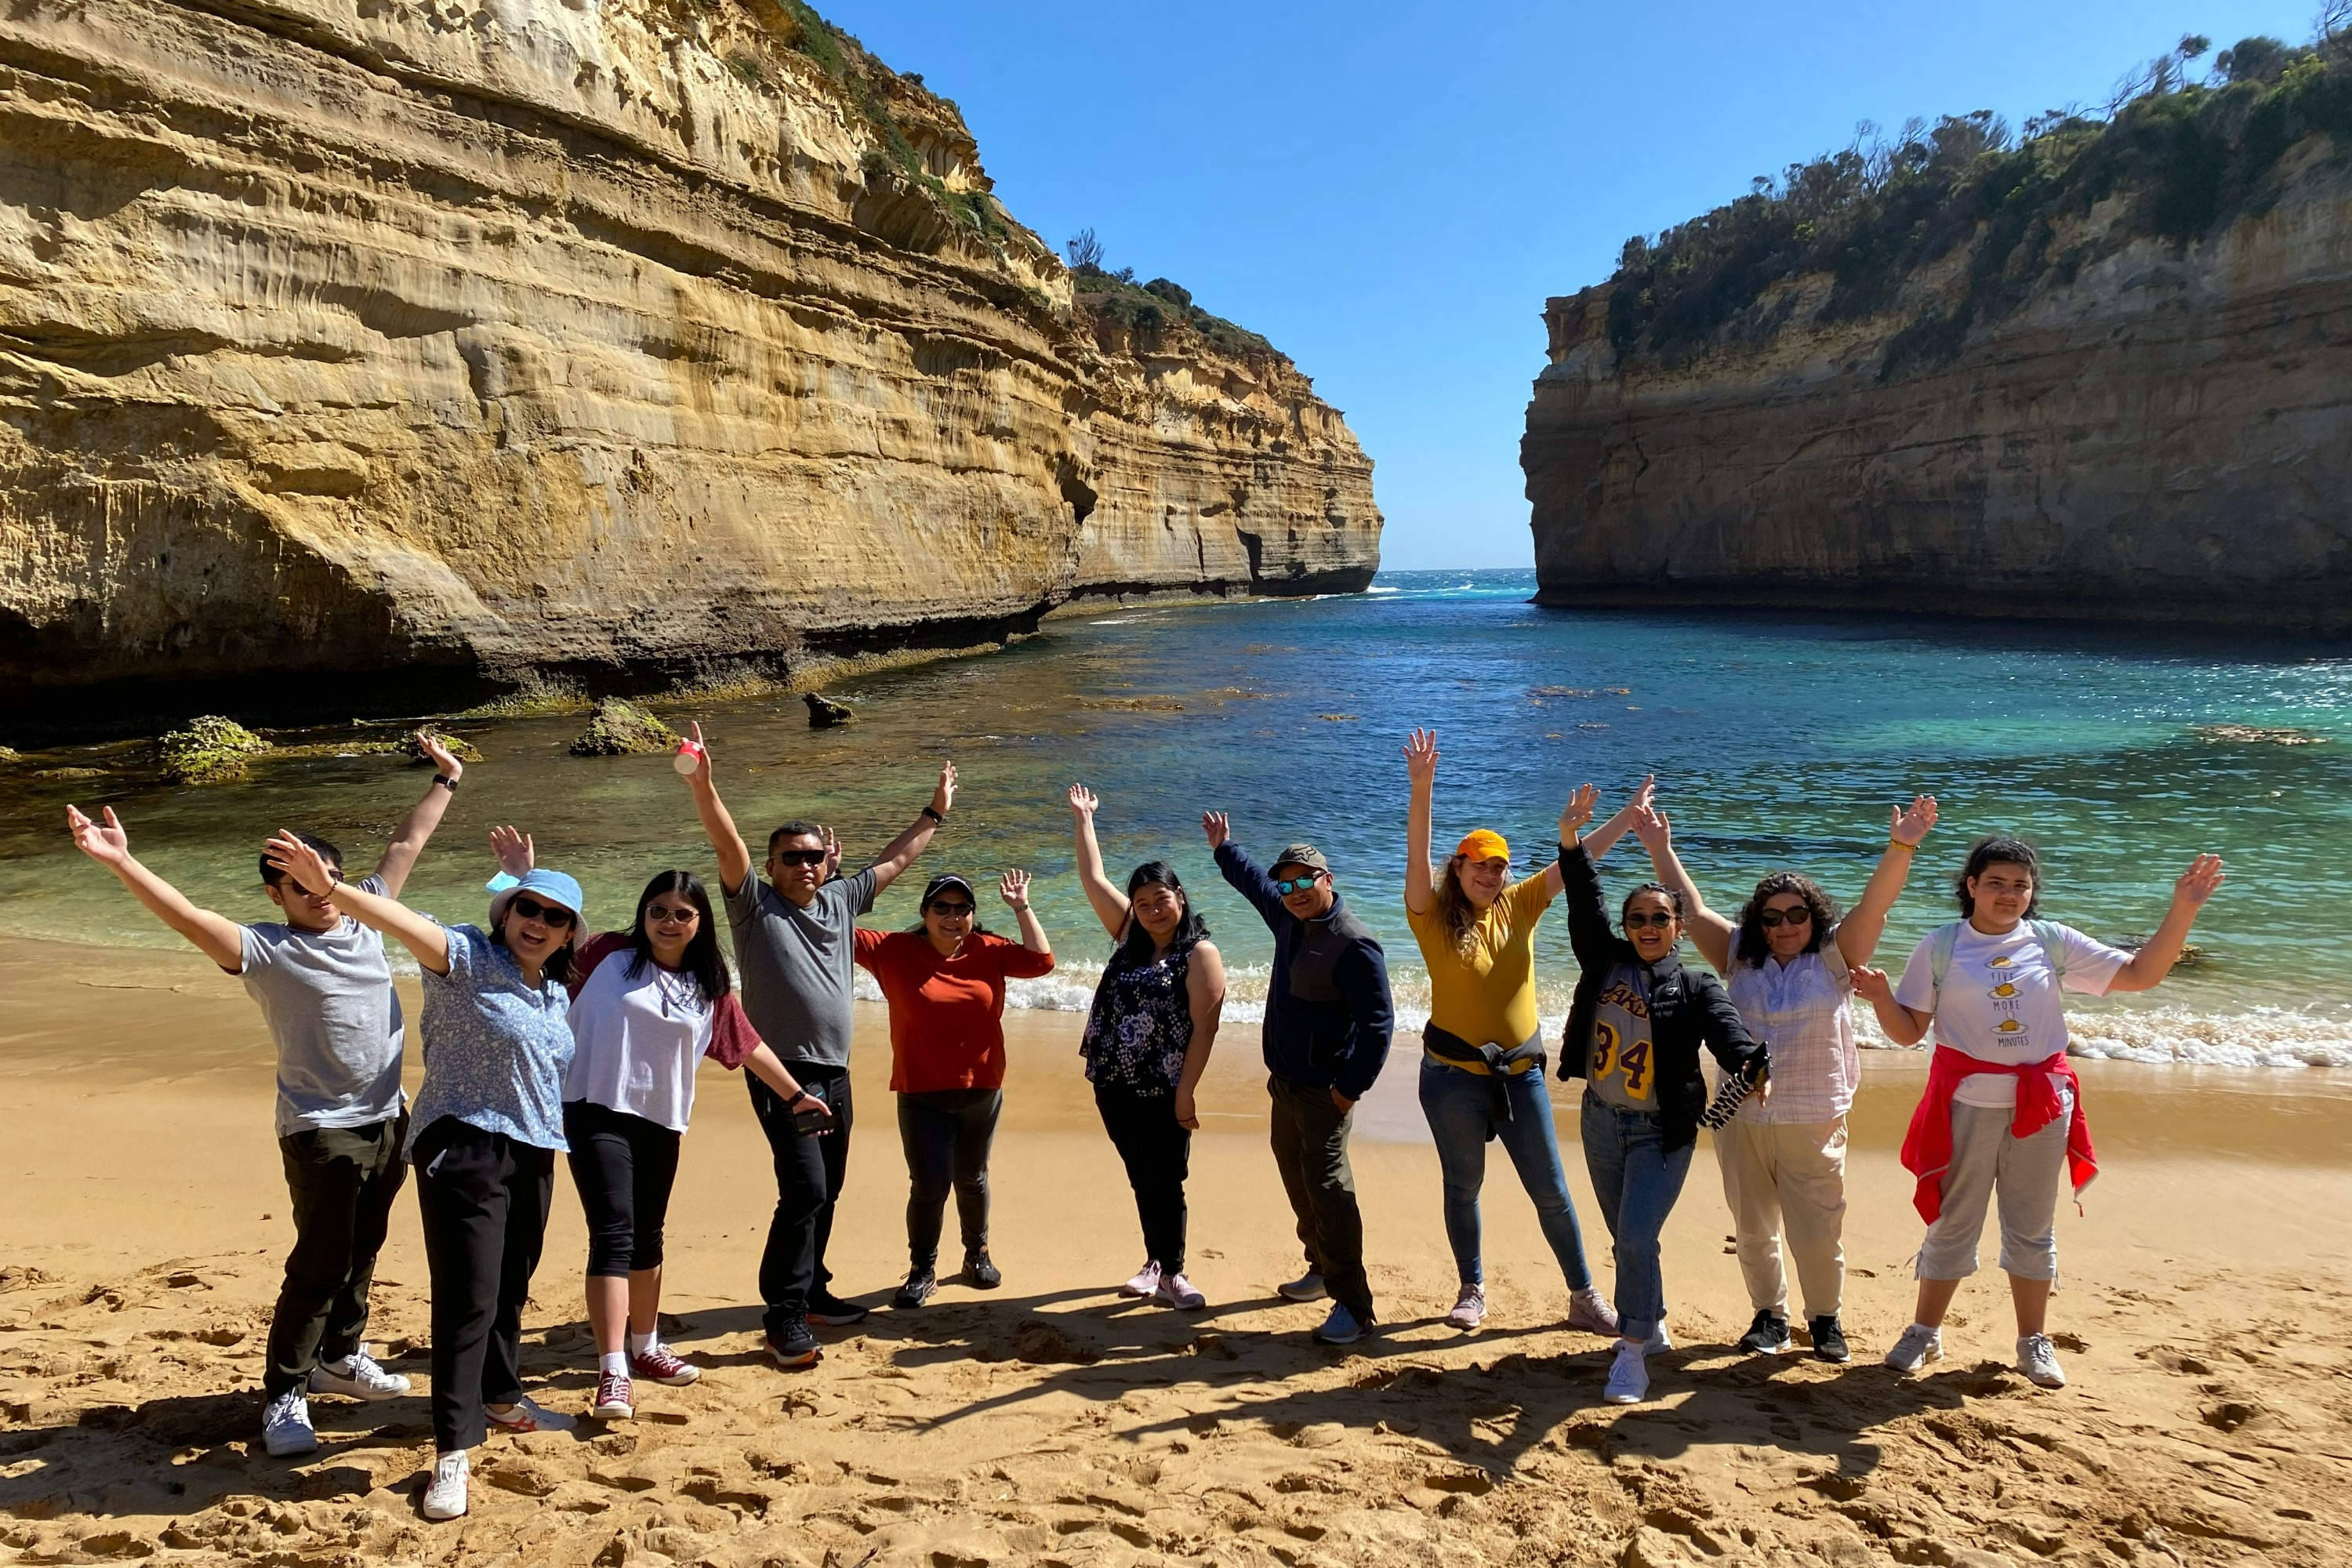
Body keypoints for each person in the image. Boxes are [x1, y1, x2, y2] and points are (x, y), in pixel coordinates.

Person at [64, 731, 468, 1461]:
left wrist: (447, 780)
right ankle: (285, 1392)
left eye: (326, 879)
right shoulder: (264, 949)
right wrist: (122, 861)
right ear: (274, 894)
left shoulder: (368, 914)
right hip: (320, 1127)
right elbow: (185, 915)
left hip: (387, 1116)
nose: (320, 896)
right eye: (301, 886)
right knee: (319, 1262)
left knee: (364, 1246)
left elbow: (406, 845)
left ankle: (340, 1358)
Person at [261, 833, 585, 1523]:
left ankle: (501, 1398)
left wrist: (526, 874)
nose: (539, 924)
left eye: (556, 917)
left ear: (568, 935)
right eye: (528, 909)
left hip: (535, 1151)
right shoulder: (465, 957)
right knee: (467, 1300)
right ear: (506, 914)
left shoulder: (555, 990)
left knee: (509, 1288)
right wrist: (331, 889)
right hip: (462, 1146)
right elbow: (395, 920)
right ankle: (452, 1452)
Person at [1854, 837, 2224, 1389]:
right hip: (1967, 1103)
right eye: (1996, 882)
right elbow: (1909, 1034)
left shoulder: (2052, 942)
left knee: (2031, 1227)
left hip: (2042, 1105)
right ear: (1971, 886)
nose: (2009, 894)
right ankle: (1925, 1331)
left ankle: (2034, 1341)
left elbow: (2143, 974)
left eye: (2020, 885)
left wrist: (2185, 907)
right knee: (1953, 1222)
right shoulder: (1941, 947)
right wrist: (1883, 1000)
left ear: (2033, 892)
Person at [679, 721, 954, 1368]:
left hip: (836, 1070)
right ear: (770, 865)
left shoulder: (840, 899)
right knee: (802, 1189)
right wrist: (704, 785)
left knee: (828, 1188)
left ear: (826, 861)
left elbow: (898, 859)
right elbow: (724, 840)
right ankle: (782, 1315)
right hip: (782, 1073)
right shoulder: (753, 904)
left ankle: (813, 1291)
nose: (803, 865)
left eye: (812, 856)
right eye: (790, 858)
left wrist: (934, 812)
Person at [1631, 794, 1940, 1364]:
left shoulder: (1834, 957)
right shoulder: (1738, 956)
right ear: (1759, 921)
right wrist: (1660, 847)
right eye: (1771, 917)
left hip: (1814, 1114)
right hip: (1738, 1114)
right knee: (1752, 1228)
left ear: (1814, 915)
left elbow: (1874, 909)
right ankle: (1769, 1316)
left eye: (1797, 914)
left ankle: (1825, 1321)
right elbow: (1691, 912)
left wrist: (1902, 846)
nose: (1784, 926)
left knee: (1817, 1232)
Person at [550, 847, 838, 1420]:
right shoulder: (608, 954)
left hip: (662, 1119)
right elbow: (538, 941)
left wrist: (795, 1094)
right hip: (593, 1109)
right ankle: (613, 1370)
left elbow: (747, 1044)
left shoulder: (708, 983)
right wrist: (520, 876)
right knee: (614, 1234)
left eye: (682, 913)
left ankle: (645, 1345)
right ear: (643, 913)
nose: (668, 921)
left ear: (700, 921)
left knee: (649, 1236)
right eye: (658, 910)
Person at [1399, 729, 1631, 1342]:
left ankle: (1583, 1294)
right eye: (1481, 865)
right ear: (1460, 866)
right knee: (1464, 1186)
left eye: (1500, 865)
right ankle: (1471, 1288)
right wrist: (1421, 788)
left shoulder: (1521, 904)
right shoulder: (1431, 916)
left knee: (1551, 1190)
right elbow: (1416, 859)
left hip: (1520, 1076)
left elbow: (1577, 866)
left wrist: (1623, 820)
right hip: (1451, 1078)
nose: (1492, 875)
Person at [1559, 781, 1764, 1406]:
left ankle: (1632, 1351)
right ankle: (1654, 1314)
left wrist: (1747, 1074)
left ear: (1678, 926)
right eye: (1638, 919)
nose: (1647, 927)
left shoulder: (1697, 984)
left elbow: (1733, 1043)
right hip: (1600, 1120)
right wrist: (1571, 840)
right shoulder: (1604, 961)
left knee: (1636, 1238)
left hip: (1661, 1132)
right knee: (1627, 1237)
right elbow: (1582, 898)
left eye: (1659, 919)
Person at [1205, 814, 1393, 1347]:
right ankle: (1320, 1269)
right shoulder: (1288, 916)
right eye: (1287, 884)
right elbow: (1254, 884)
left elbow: (1380, 1024)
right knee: (1298, 1179)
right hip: (1284, 1086)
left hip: (1323, 1093)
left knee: (1330, 1190)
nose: (1293, 891)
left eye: (1304, 880)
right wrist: (1224, 848)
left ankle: (1354, 1307)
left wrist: (1348, 1089)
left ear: (1326, 879)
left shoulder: (1353, 943)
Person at [855, 870, 1055, 1308]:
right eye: (941, 908)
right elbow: (831, 927)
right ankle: (923, 1269)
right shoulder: (893, 950)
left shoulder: (990, 950)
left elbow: (1043, 962)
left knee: (972, 1176)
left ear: (972, 915)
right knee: (928, 1185)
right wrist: (832, 881)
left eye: (962, 908)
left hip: (981, 1088)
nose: (952, 916)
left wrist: (1022, 907)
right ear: (924, 913)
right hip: (920, 1090)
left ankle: (976, 1255)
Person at [1068, 784, 1227, 1310]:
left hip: (1164, 1088)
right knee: (1142, 1176)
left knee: (1166, 1178)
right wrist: (1085, 818)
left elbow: (1206, 1029)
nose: (1154, 911)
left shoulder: (1199, 953)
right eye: (1143, 903)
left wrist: (1186, 1094)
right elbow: (1093, 878)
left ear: (1180, 898)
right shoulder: (1129, 936)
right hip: (1114, 1082)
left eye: (1162, 900)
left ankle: (1175, 1271)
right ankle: (1155, 1262)